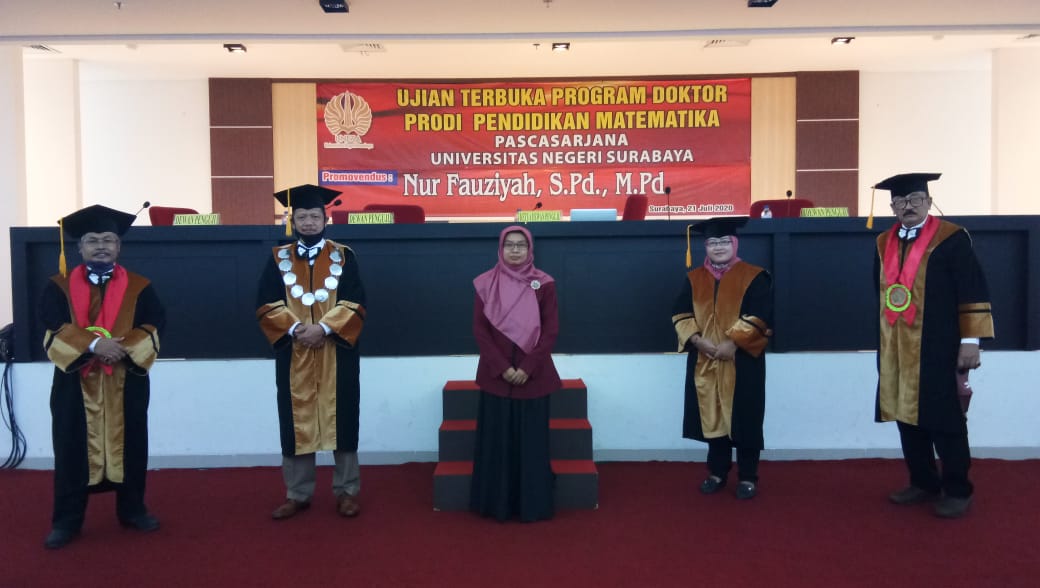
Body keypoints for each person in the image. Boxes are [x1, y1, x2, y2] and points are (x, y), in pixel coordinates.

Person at [39, 205, 165, 549]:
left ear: (118, 246)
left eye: (108, 240)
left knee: (132, 443)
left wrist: (122, 349)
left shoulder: (140, 287)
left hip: (126, 380)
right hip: (74, 384)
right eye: (93, 240)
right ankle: (67, 520)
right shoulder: (58, 287)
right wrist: (94, 345)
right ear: (80, 248)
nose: (101, 246)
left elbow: (154, 323)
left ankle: (133, 510)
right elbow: (51, 324)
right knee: (71, 447)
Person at [872, 172, 994, 518]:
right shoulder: (883, 242)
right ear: (892, 207)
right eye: (900, 201)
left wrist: (970, 341)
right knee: (905, 416)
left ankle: (957, 489)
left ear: (928, 201)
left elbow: (972, 287)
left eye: (914, 199)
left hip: (939, 343)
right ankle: (923, 481)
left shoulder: (951, 238)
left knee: (944, 417)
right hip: (896, 344)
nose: (907, 206)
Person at [256, 184, 367, 520]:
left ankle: (347, 491)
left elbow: (356, 300)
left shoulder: (344, 256)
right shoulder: (278, 258)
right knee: (296, 422)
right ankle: (297, 493)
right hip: (294, 353)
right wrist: (296, 329)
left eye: (314, 216)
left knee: (343, 420)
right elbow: (266, 302)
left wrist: (325, 328)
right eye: (301, 216)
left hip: (337, 352)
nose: (308, 222)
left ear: (325, 219)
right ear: (293, 221)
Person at [672, 217, 772, 500]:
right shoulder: (694, 279)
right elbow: (680, 313)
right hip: (704, 360)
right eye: (713, 242)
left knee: (746, 417)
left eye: (725, 241)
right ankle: (717, 472)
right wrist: (696, 340)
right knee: (712, 416)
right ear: (705, 246)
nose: (719, 247)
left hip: (743, 362)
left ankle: (748, 476)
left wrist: (733, 342)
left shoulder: (754, 276)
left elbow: (761, 315)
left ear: (735, 243)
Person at [470, 226, 561, 522]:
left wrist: (526, 368)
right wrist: (502, 368)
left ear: (530, 249)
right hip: (496, 377)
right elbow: (480, 331)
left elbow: (551, 331)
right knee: (496, 444)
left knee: (532, 446)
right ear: (500, 248)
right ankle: (496, 505)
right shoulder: (485, 283)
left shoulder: (544, 284)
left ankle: (532, 505)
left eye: (521, 245)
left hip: (533, 378)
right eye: (509, 244)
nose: (515, 250)